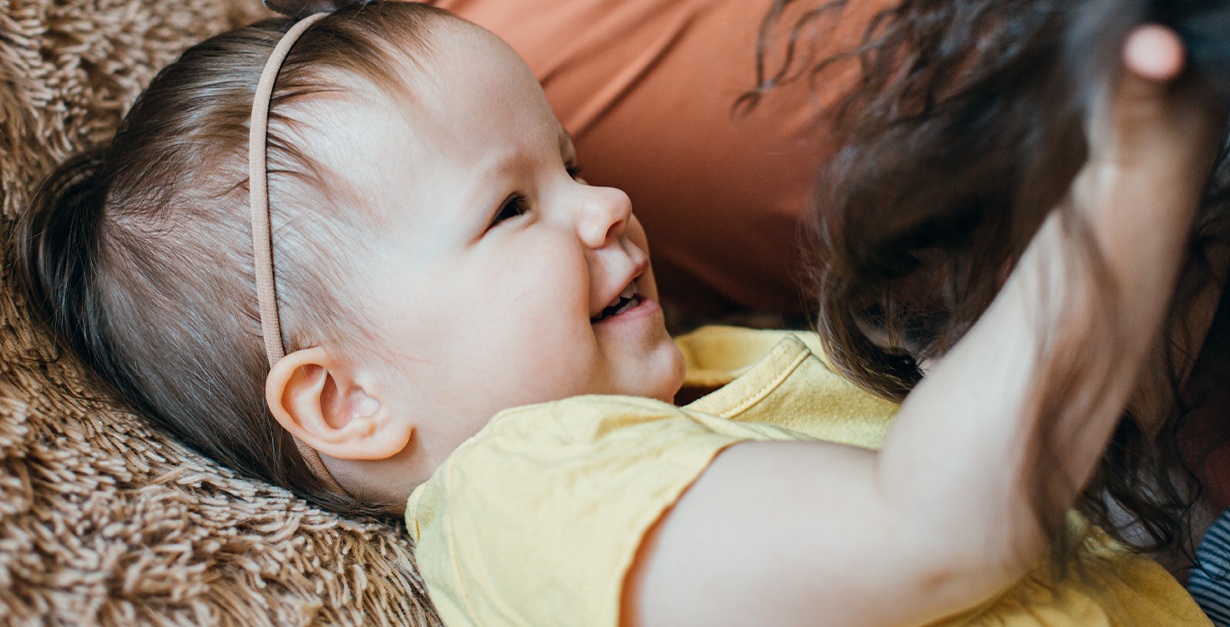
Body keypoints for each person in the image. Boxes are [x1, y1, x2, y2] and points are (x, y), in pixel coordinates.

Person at [13, 2, 1220, 625]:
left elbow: (1062, 479)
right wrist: (1129, 175)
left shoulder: (705, 366)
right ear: (348, 399)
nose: (608, 205)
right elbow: (937, 528)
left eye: (574, 162)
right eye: (508, 209)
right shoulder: (529, 492)